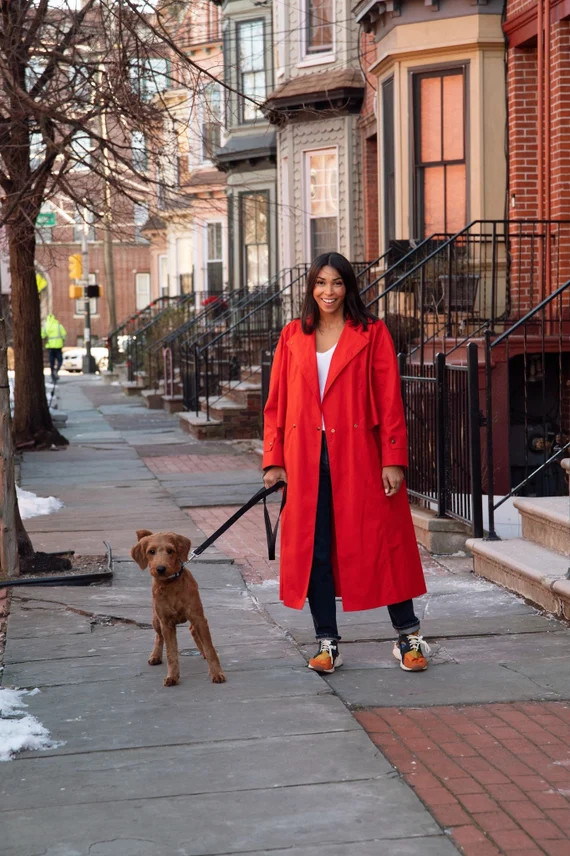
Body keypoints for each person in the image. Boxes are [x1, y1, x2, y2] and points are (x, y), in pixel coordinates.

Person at [262, 252, 429, 675]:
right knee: (315, 549)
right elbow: (276, 405)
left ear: (349, 287)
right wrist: (273, 460)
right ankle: (327, 641)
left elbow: (391, 399)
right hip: (305, 458)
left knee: (383, 541)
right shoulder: (292, 336)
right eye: (320, 283)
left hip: (361, 454)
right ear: (311, 289)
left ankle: (408, 635)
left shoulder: (371, 333)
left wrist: (393, 458)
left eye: (337, 283)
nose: (328, 292)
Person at [41, 312, 66, 381]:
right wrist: (62, 341)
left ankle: (52, 375)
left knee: (51, 362)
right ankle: (56, 370)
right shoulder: (58, 325)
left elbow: (42, 335)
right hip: (58, 346)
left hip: (50, 347)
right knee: (60, 360)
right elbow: (64, 334)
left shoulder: (46, 326)